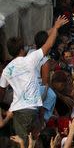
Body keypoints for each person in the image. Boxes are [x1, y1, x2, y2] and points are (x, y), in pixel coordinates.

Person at [0, 16, 68, 146]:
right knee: (27, 143)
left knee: (23, 142)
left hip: (19, 111)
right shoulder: (29, 59)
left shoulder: (6, 70)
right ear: (22, 50)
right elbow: (48, 44)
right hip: (31, 110)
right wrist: (56, 27)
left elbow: (1, 92)